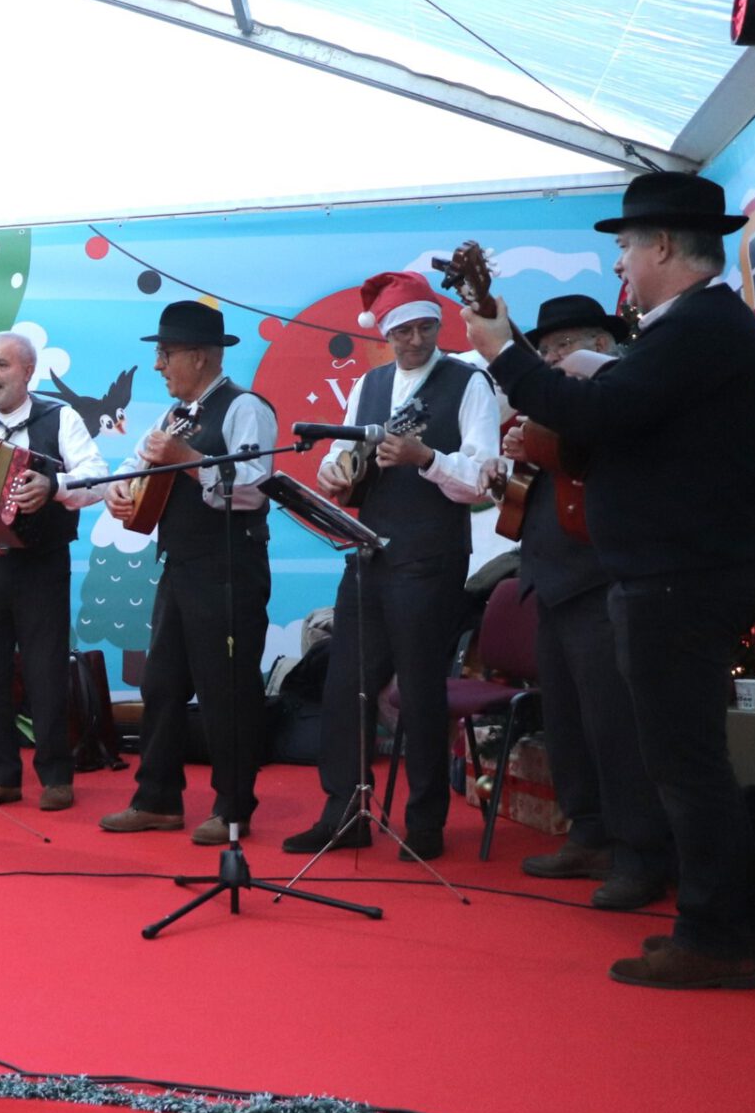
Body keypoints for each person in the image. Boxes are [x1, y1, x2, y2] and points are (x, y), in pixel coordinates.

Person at [464, 171, 755, 990]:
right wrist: (586, 371)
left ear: (665, 245)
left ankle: (713, 937)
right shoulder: (700, 329)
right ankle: (740, 930)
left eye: (627, 247)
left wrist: (504, 352)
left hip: (678, 575)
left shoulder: (699, 326)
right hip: (681, 570)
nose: (620, 266)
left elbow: (602, 420)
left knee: (684, 764)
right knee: (689, 759)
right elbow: (627, 409)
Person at [282, 271, 499, 862]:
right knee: (345, 682)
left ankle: (426, 821)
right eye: (402, 330)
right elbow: (341, 457)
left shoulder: (468, 382)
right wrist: (336, 472)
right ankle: (343, 811)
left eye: (425, 326)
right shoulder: (371, 385)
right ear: (384, 334)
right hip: (368, 552)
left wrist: (425, 457)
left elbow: (482, 477)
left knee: (421, 690)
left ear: (437, 324)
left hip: (430, 558)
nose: (414, 339)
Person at [500, 295, 671, 911]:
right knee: (567, 722)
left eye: (563, 345)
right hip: (548, 575)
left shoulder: (620, 392)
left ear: (603, 341)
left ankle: (638, 853)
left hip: (599, 576)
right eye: (545, 351)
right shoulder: (551, 405)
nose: (552, 359)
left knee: (615, 727)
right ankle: (588, 831)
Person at [99, 302, 275, 844]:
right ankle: (157, 798)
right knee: (161, 683)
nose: (157, 365)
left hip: (229, 567)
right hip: (180, 566)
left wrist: (187, 457)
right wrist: (119, 492)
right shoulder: (173, 416)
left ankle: (233, 806)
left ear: (199, 357)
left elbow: (251, 487)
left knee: (227, 688)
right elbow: (134, 469)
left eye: (166, 353)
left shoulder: (246, 407)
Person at [0, 331, 108, 811]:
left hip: (41, 561)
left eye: (1, 365)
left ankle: (56, 775)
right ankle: (1, 774)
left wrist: (52, 487)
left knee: (45, 671)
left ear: (27, 372)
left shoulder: (60, 416)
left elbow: (95, 479)